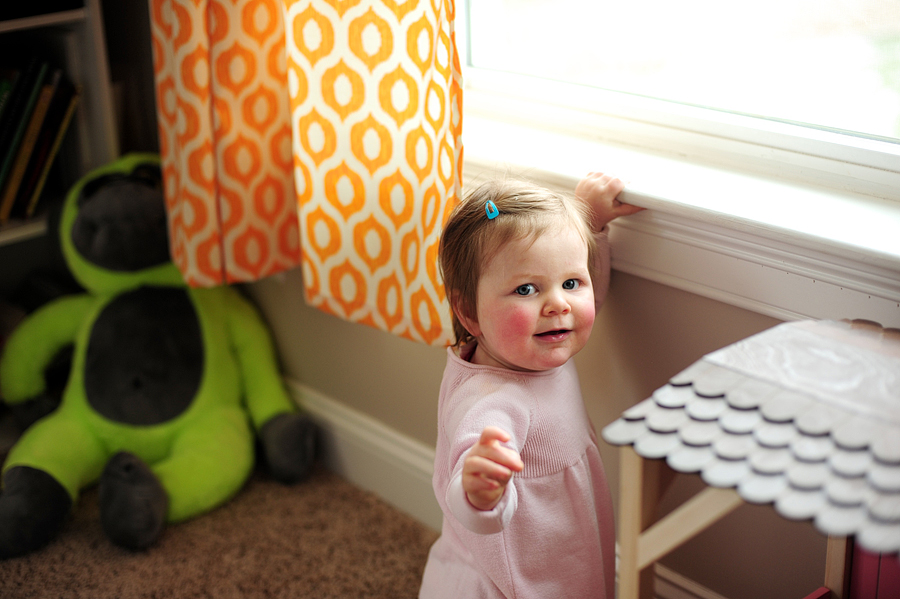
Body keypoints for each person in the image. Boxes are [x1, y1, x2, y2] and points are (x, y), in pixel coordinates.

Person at [419, 172, 644, 599]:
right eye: (526, 288)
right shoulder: (492, 403)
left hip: (559, 538)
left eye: (570, 282)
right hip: (517, 575)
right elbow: (469, 496)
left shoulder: (527, 343)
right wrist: (478, 490)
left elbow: (587, 302)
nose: (559, 304)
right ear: (469, 312)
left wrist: (590, 224)